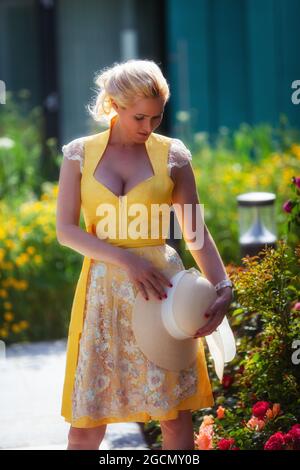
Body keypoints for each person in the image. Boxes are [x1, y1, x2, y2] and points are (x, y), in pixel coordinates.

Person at [56, 59, 233, 450]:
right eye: (139, 117)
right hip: (102, 297)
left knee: (173, 416)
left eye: (156, 117)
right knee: (86, 423)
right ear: (114, 105)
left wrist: (222, 285)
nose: (148, 127)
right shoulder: (78, 155)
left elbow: (194, 230)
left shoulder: (174, 155)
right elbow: (66, 231)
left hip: (163, 294)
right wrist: (128, 260)